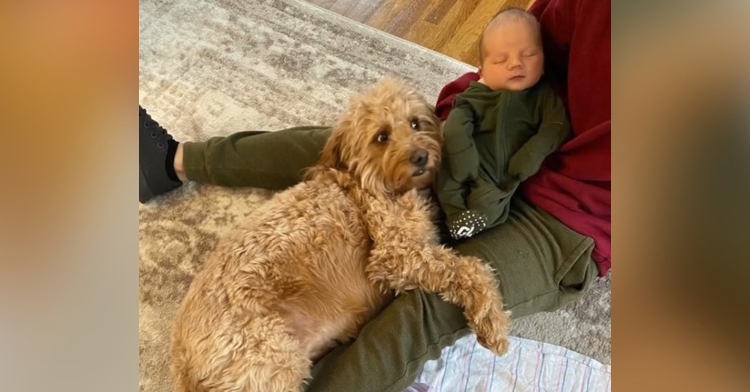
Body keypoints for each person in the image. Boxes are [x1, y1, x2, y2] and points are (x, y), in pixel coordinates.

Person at [139, 0, 610, 390]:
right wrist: (476, 98)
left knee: (423, 311)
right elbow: (526, 39)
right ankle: (173, 161)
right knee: (343, 157)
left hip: (573, 211)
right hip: (505, 125)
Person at [437, 8, 571, 240]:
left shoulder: (543, 98)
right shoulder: (479, 93)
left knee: (492, 207)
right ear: (483, 71)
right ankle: (451, 216)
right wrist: (461, 152)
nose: (516, 63)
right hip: (464, 159)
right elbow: (458, 119)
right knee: (442, 177)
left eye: (528, 54)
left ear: (544, 62)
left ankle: (461, 228)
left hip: (501, 177)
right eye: (500, 59)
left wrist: (532, 153)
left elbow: (556, 127)